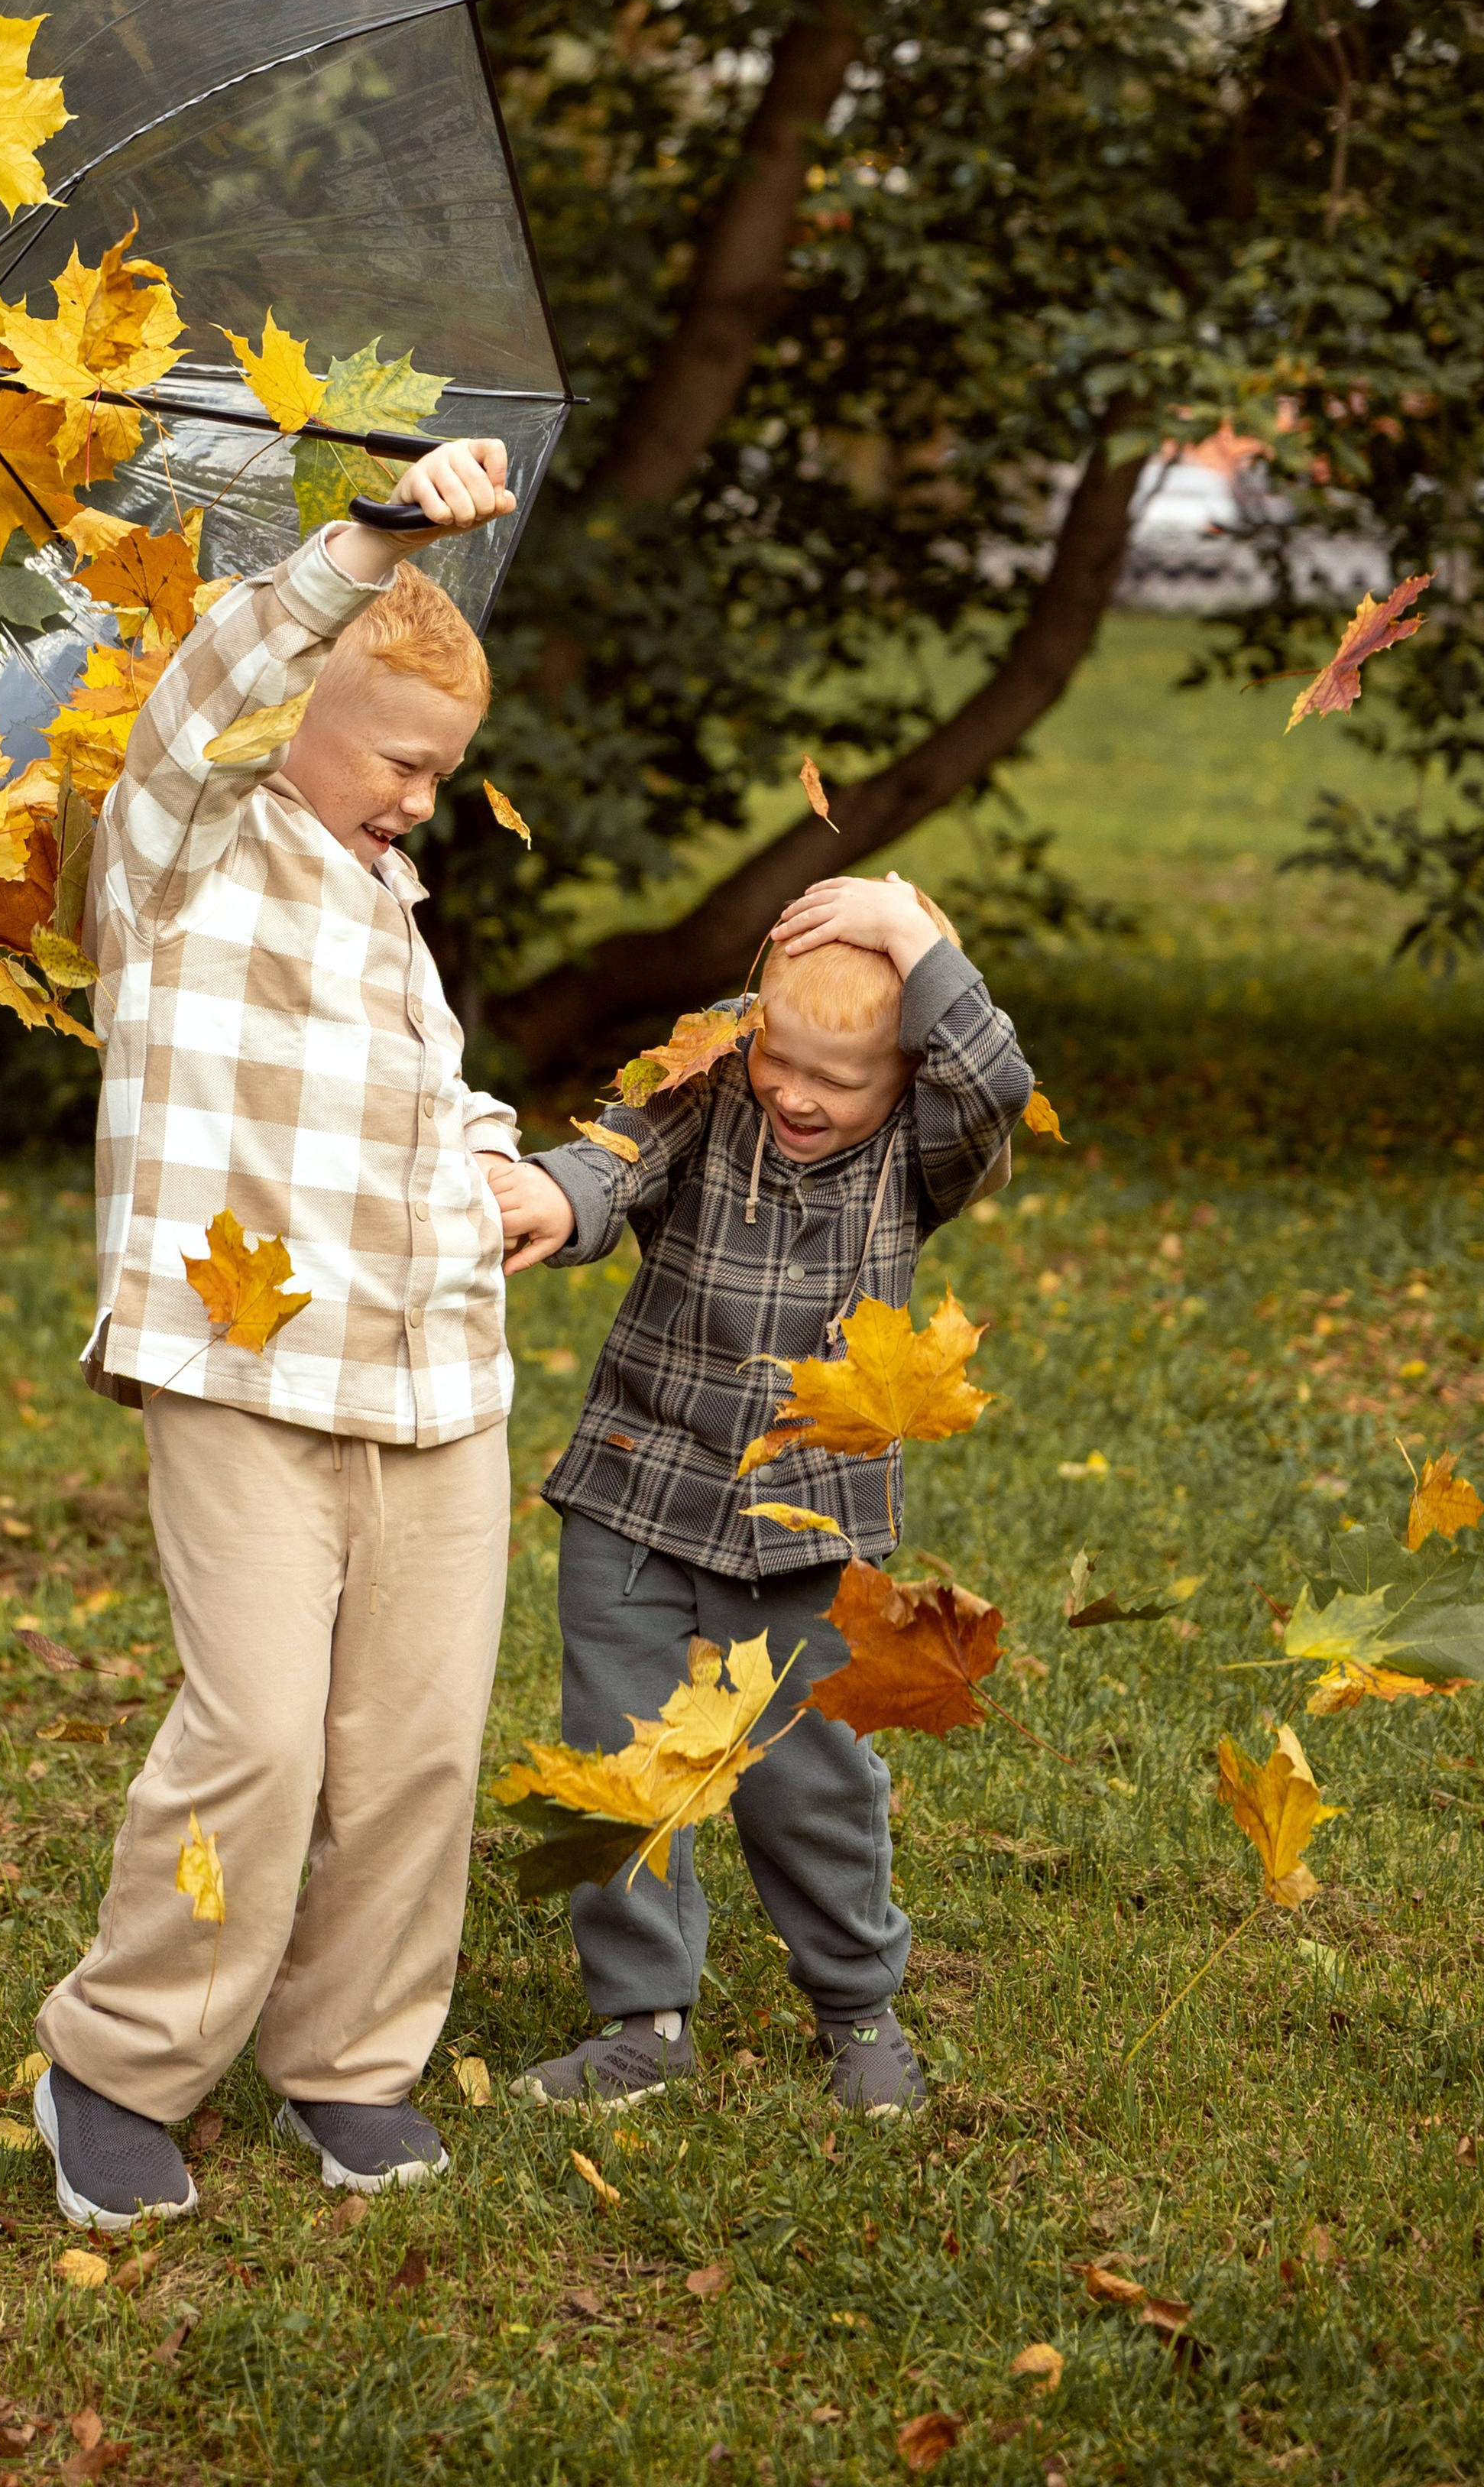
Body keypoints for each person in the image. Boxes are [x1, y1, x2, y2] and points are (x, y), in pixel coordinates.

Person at [33, 441, 521, 2231]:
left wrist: (504, 1174)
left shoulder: (386, 910)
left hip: (434, 1375)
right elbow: (205, 690)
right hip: (242, 1373)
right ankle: (118, 2061)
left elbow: (436, 1089)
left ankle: (350, 2059)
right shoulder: (175, 860)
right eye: (398, 759)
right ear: (305, 711)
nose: (419, 797)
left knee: (413, 1745)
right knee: (257, 1736)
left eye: (441, 773)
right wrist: (372, 539)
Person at [486, 872, 1031, 2116]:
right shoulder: (720, 1091)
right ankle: (643, 2022)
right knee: (625, 1758)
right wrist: (554, 1196)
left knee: (812, 1778)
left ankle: (856, 2008)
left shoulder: (916, 1159)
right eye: (781, 1059)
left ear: (900, 1086)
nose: (796, 1092)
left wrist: (911, 933)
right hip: (636, 1497)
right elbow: (620, 1151)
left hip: (808, 1529)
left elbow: (993, 1083)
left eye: (839, 1081)